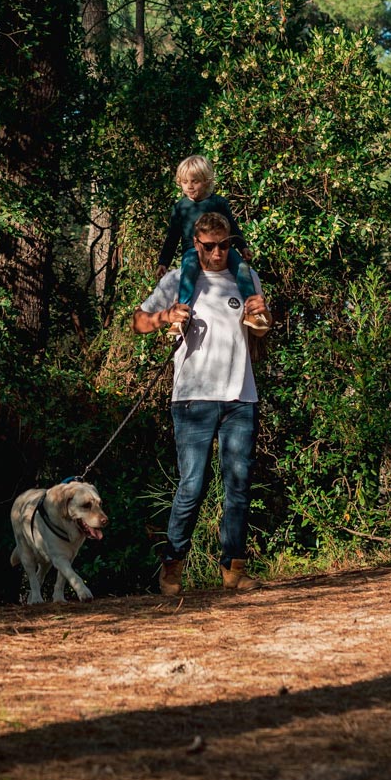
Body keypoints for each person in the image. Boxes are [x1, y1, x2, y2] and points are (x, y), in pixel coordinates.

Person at [133, 210, 270, 593]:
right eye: (208, 246)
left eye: (223, 245)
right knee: (192, 484)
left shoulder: (245, 278)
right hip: (192, 399)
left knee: (238, 485)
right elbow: (137, 321)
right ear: (196, 244)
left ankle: (234, 570)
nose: (216, 253)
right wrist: (165, 316)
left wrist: (262, 314)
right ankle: (172, 566)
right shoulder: (178, 280)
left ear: (230, 243)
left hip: (240, 397)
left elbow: (260, 328)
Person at [157, 155, 269, 340]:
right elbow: (172, 237)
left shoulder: (218, 203)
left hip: (222, 247)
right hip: (193, 250)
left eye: (195, 181)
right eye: (185, 182)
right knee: (189, 270)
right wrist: (163, 261)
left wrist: (243, 247)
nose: (189, 186)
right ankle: (181, 317)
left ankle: (251, 311)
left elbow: (232, 226)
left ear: (206, 181)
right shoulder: (180, 207)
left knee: (242, 268)